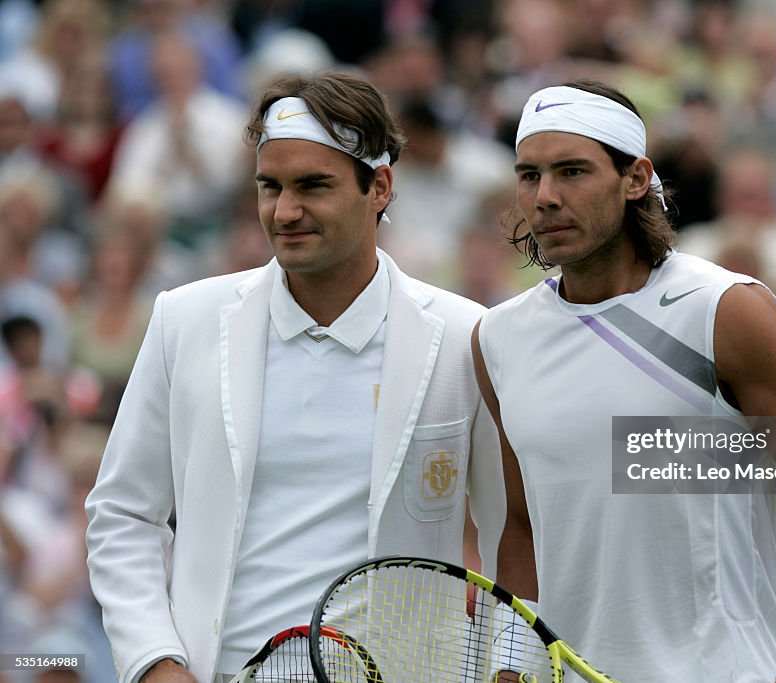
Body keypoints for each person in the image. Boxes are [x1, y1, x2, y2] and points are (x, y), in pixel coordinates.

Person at [85, 69, 504, 683]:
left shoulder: (468, 334)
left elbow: (510, 533)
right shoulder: (185, 319)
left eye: (313, 185)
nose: (284, 211)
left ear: (379, 187)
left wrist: (501, 669)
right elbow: (123, 513)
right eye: (269, 186)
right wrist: (155, 661)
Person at [472, 80, 776, 682]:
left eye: (572, 172)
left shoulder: (725, 310)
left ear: (635, 179)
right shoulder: (498, 338)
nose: (545, 197)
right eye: (529, 175)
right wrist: (510, 669)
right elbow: (522, 522)